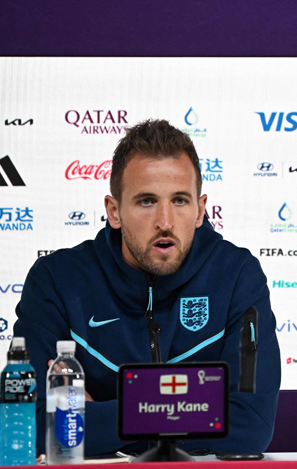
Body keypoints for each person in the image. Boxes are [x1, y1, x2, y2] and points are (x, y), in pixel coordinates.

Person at [14, 119, 280, 456]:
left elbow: (251, 427)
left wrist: (95, 417)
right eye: (146, 201)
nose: (165, 221)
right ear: (114, 211)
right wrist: (198, 411)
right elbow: (33, 426)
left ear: (200, 210)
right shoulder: (56, 280)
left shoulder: (237, 276)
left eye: (180, 200)